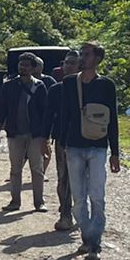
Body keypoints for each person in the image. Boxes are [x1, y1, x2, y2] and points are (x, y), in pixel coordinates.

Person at [61, 41, 120, 260]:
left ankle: (94, 243)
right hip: (74, 146)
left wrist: (115, 152)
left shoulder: (107, 85)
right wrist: (58, 143)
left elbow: (113, 119)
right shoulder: (68, 84)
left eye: (86, 54)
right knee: (78, 198)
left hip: (98, 147)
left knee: (97, 196)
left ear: (97, 59)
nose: (81, 58)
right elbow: (64, 115)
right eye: (81, 54)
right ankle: (87, 236)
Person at [0, 52, 51, 212]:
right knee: (15, 170)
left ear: (33, 68)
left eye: (26, 65)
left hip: (35, 135)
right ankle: (15, 202)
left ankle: (39, 202)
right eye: (20, 64)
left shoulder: (39, 86)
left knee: (37, 170)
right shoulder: (9, 86)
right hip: (14, 134)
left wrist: (46, 136)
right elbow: (2, 110)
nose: (22, 67)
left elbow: (45, 112)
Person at [47, 51, 82, 231]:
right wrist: (43, 139)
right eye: (66, 63)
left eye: (73, 63)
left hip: (86, 142)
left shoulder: (91, 88)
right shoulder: (56, 89)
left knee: (83, 180)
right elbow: (48, 117)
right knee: (64, 179)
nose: (68, 66)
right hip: (63, 141)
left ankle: (81, 213)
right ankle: (65, 214)